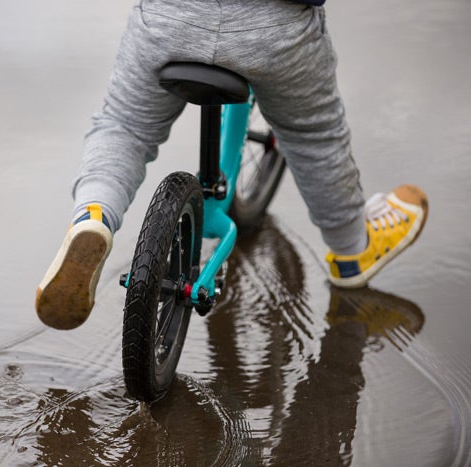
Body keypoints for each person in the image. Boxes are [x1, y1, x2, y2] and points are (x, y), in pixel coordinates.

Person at [34, 0, 428, 330]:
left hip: (170, 18)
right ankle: (351, 249)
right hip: (275, 30)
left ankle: (94, 215)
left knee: (125, 126)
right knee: (315, 137)